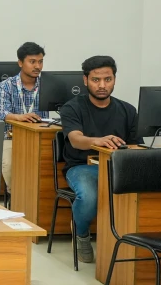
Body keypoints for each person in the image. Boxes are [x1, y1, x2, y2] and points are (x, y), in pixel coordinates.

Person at [60, 55, 140, 264]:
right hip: (81, 167)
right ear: (85, 80)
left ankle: (131, 239)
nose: (102, 85)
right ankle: (81, 234)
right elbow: (75, 140)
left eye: (108, 79)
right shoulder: (72, 107)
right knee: (88, 196)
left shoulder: (128, 110)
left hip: (119, 167)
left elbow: (136, 145)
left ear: (114, 80)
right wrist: (98, 141)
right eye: (96, 80)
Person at [0, 42, 49, 193]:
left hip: (41, 137)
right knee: (9, 164)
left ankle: (37, 198)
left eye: (40, 61)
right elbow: (2, 113)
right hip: (12, 137)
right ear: (20, 63)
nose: (37, 66)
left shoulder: (48, 84)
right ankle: (16, 196)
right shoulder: (6, 85)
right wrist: (21, 117)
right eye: (32, 62)